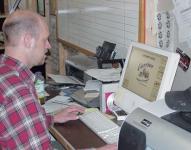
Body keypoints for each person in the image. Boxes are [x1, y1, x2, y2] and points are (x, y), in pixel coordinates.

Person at [0, 10, 117, 150]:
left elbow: (15, 123)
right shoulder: (18, 92)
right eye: (45, 40)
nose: (48, 46)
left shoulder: (7, 72)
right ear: (28, 40)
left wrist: (51, 118)